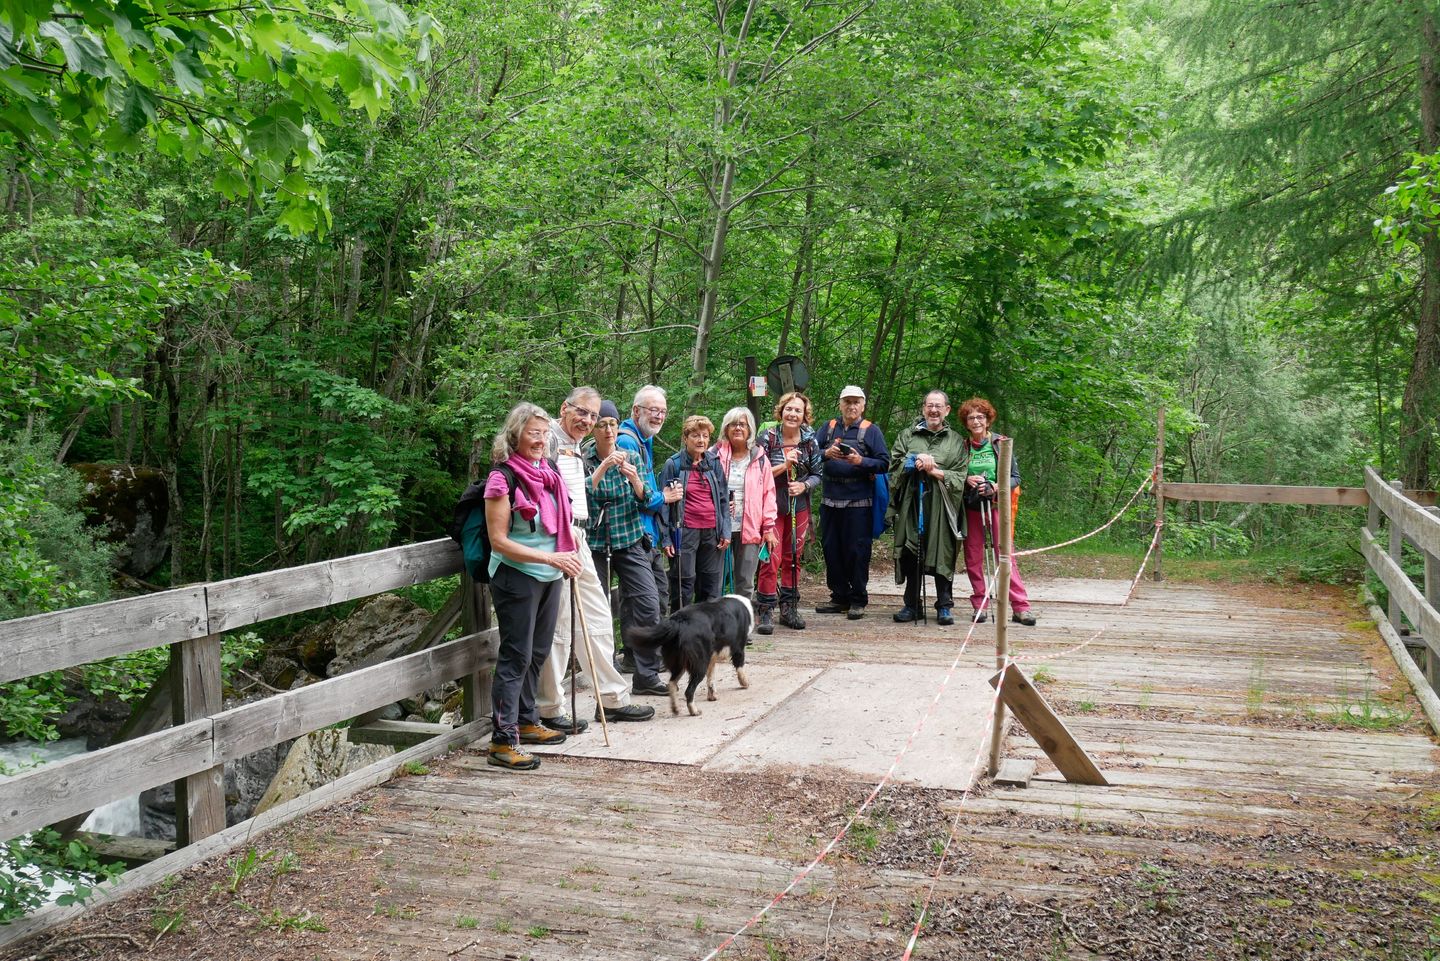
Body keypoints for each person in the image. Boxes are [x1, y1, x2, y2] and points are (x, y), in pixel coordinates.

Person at [536, 388, 657, 730]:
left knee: (599, 616)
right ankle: (550, 706)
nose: (588, 421)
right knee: (560, 625)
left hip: (580, 536)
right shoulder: (549, 440)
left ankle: (613, 698)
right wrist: (558, 546)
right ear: (564, 408)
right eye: (583, 413)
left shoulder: (575, 444)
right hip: (556, 541)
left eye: (593, 416)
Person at [482, 403, 583, 771]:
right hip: (516, 575)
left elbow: (560, 523)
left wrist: (568, 554)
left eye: (544, 433)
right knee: (516, 656)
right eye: (532, 433)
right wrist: (552, 560)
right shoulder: (502, 478)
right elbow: (499, 541)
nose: (540, 440)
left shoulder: (550, 472)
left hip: (549, 575)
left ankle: (526, 720)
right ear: (515, 435)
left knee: (537, 652)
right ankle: (502, 741)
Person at [586, 399, 670, 702]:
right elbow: (582, 497)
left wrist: (634, 478)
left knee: (648, 603)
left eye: (612, 424)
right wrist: (604, 468)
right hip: (597, 543)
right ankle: (603, 676)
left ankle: (646, 676)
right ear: (594, 429)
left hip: (631, 539)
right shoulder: (585, 458)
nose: (608, 430)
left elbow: (648, 498)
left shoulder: (631, 454)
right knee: (597, 610)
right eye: (602, 425)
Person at [616, 386, 684, 694]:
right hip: (633, 534)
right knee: (647, 602)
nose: (658, 415)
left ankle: (638, 660)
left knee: (650, 596)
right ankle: (643, 671)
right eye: (652, 410)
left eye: (662, 411)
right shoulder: (628, 442)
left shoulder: (644, 440)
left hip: (646, 534)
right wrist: (665, 497)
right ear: (635, 411)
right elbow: (642, 496)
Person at [888, 390, 967, 626]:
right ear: (923, 408)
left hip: (943, 505)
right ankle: (911, 605)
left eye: (938, 406)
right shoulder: (907, 435)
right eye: (929, 405)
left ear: (947, 410)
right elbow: (894, 464)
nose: (934, 410)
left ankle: (944, 606)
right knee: (912, 549)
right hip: (913, 503)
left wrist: (935, 471)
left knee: (943, 550)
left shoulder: (955, 440)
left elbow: (961, 474)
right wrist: (915, 460)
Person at [957, 397, 1036, 625]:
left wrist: (995, 486)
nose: (976, 421)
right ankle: (979, 603)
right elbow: (954, 475)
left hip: (996, 505)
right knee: (973, 557)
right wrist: (966, 479)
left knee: (1005, 555)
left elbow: (1015, 478)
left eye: (980, 417)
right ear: (966, 422)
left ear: (988, 419)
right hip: (972, 506)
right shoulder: (962, 446)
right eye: (971, 417)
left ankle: (1020, 606)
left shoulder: (1001, 443)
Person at [814, 386, 890, 620]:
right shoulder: (828, 428)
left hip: (859, 501)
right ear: (840, 404)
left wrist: (860, 461)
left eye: (856, 402)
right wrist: (827, 454)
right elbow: (809, 454)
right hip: (830, 499)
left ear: (863, 405)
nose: (851, 406)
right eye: (847, 401)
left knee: (857, 552)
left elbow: (884, 463)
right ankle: (839, 597)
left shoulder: (871, 431)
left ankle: (858, 599)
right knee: (831, 549)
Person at [757, 392, 822, 631]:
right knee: (771, 556)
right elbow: (757, 470)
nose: (793, 414)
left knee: (793, 557)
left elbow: (818, 474)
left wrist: (804, 485)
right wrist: (783, 466)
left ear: (805, 415)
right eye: (789, 409)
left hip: (799, 505)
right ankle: (765, 610)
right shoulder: (768, 437)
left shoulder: (810, 441)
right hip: (772, 505)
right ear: (781, 411)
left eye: (798, 410)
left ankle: (789, 608)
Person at [657, 415, 732, 607]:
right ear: (685, 438)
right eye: (695, 435)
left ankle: (707, 632)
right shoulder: (673, 464)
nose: (701, 440)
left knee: (710, 585)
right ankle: (680, 631)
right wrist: (665, 537)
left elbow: (724, 499)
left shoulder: (714, 463)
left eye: (705, 436)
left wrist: (725, 530)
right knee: (684, 583)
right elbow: (663, 504)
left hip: (712, 533)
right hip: (685, 532)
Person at [711, 407, 779, 608]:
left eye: (742, 424)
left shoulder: (759, 458)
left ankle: (742, 626)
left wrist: (768, 528)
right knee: (715, 580)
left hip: (749, 527)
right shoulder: (713, 455)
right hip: (718, 527)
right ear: (726, 428)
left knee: (745, 581)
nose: (738, 428)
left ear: (750, 429)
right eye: (733, 424)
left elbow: (769, 494)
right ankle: (715, 625)